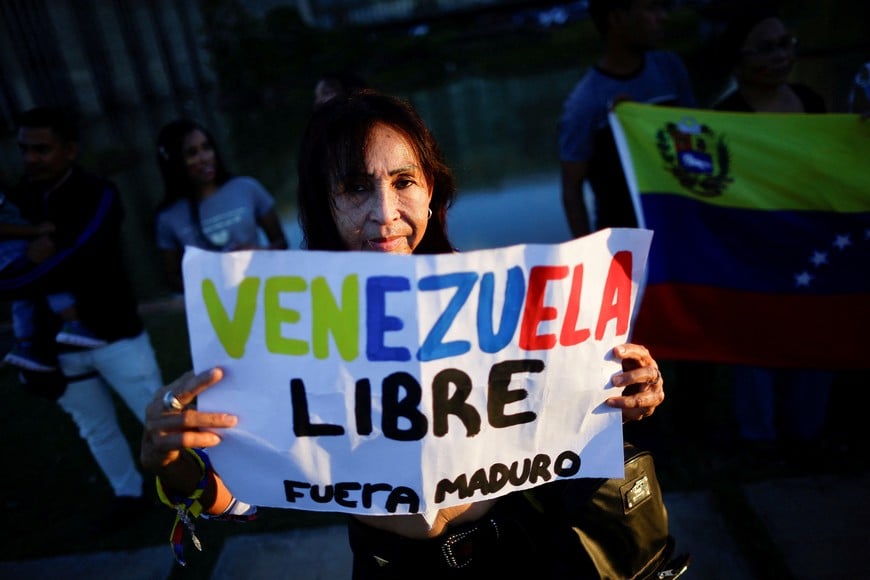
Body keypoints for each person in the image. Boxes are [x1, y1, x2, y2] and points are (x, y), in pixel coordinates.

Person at [142, 91, 668, 577]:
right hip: (388, 564)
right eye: (353, 187)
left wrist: (626, 394)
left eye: (403, 181)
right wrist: (173, 463)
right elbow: (239, 497)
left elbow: (568, 421)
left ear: (430, 186)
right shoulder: (286, 327)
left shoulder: (504, 297)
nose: (385, 215)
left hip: (517, 548)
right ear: (323, 201)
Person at [4, 106, 164, 531]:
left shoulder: (99, 192)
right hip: (58, 346)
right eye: (24, 149)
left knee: (157, 414)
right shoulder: (19, 200)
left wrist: (20, 274)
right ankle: (127, 493)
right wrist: (24, 274)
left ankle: (196, 484)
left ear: (70, 149)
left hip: (115, 335)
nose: (31, 158)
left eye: (42, 149)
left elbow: (82, 258)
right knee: (94, 426)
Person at [714, 7, 833, 455]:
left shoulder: (811, 100)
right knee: (755, 346)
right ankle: (759, 443)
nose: (781, 55)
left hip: (812, 246)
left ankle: (809, 433)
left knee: (815, 339)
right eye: (766, 47)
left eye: (786, 43)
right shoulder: (723, 118)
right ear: (738, 60)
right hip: (753, 254)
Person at [558, 0, 696, 237]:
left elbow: (697, 134)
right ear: (617, 18)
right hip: (627, 242)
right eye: (651, 9)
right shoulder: (584, 104)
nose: (663, 17)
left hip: (681, 227)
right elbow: (572, 191)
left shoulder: (669, 68)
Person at [153, 119, 288, 292]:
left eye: (207, 148)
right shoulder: (167, 217)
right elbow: (171, 278)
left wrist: (261, 252)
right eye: (192, 153)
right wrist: (208, 279)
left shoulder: (247, 188)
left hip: (263, 294)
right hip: (215, 310)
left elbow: (281, 243)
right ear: (175, 162)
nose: (204, 158)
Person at [1, 192, 106, 372]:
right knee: (51, 278)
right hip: (12, 250)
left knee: (25, 295)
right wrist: (36, 230)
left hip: (11, 254)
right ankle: (74, 324)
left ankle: (25, 345)